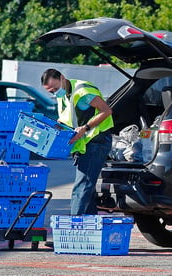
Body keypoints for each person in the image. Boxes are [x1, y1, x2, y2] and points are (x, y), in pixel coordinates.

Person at [41, 68, 113, 215]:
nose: (54, 93)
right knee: (88, 188)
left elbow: (106, 111)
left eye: (55, 89)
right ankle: (88, 227)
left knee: (81, 187)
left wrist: (85, 128)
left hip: (96, 142)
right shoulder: (63, 95)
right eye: (50, 92)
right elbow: (65, 119)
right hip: (84, 145)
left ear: (62, 78)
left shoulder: (83, 91)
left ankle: (74, 224)